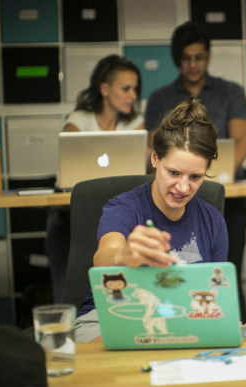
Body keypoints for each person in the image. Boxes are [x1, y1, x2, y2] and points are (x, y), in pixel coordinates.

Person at [74, 97, 228, 342]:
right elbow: (104, 256)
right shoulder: (124, 208)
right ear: (155, 159)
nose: (183, 187)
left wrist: (227, 322)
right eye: (174, 173)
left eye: (196, 177)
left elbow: (215, 296)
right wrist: (122, 256)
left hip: (181, 321)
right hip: (110, 316)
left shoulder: (213, 221)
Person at [144, 21, 246, 322]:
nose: (193, 64)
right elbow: (155, 146)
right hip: (174, 201)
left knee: (226, 274)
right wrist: (186, 180)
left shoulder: (231, 92)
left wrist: (202, 175)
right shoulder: (160, 98)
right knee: (176, 273)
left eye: (199, 57)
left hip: (227, 196)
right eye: (186, 58)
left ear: (209, 55)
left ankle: (231, 326)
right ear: (177, 59)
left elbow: (241, 141)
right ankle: (178, 325)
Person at [46, 54, 145, 303]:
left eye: (135, 89)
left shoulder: (135, 124)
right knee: (67, 293)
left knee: (118, 293)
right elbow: (67, 169)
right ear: (104, 89)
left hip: (119, 217)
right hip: (70, 215)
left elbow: (140, 175)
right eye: (126, 88)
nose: (133, 95)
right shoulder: (78, 121)